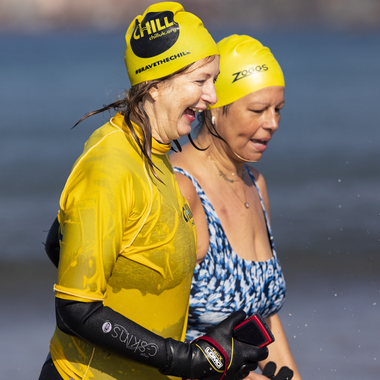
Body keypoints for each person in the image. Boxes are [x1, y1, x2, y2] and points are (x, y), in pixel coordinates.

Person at [38, 5, 268, 380]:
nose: (212, 96)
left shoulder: (154, 152)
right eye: (200, 81)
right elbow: (75, 309)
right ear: (156, 85)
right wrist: (186, 360)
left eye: (215, 80)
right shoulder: (110, 166)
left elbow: (58, 244)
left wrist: (205, 355)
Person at [170, 35, 302, 380]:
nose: (272, 123)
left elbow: (262, 317)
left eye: (278, 110)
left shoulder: (255, 184)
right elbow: (145, 333)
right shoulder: (178, 189)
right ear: (213, 109)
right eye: (258, 110)